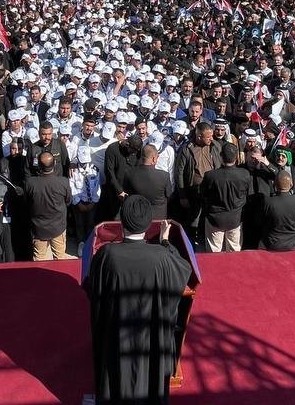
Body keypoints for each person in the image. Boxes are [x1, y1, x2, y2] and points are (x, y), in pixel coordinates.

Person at [84, 195, 192, 405]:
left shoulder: (107, 254)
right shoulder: (162, 256)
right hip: (150, 339)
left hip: (117, 337)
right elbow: (184, 271)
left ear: (122, 221)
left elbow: (92, 288)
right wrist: (165, 241)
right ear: (148, 223)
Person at [25, 152, 74, 260]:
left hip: (39, 229)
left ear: (39, 165)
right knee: (60, 256)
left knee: (40, 259)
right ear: (55, 163)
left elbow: (27, 203)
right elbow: (68, 201)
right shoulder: (63, 182)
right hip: (58, 227)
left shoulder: (30, 183)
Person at [259, 171, 295, 252]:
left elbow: (262, 220)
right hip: (292, 243)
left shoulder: (269, 202)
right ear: (291, 184)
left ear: (274, 185)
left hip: (273, 243)